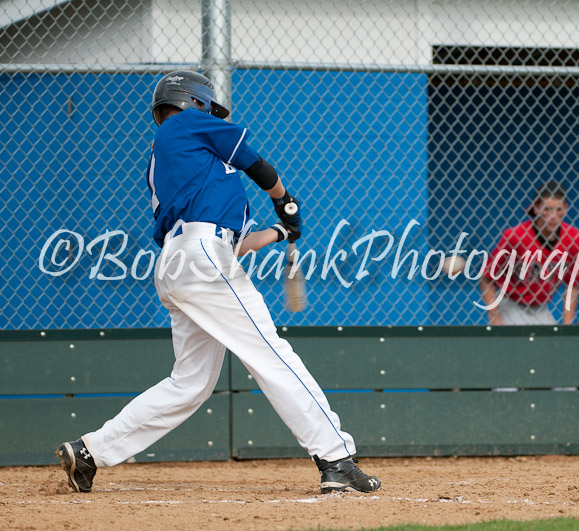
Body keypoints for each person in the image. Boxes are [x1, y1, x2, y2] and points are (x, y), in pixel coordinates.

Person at [55, 70, 380, 495]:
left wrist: (282, 232)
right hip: (202, 257)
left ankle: (90, 452)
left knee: (190, 383)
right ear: (194, 101)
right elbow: (257, 163)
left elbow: (237, 244)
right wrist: (283, 199)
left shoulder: (174, 159)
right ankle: (335, 455)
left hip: (182, 261)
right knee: (270, 352)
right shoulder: (185, 123)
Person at [480, 180, 579, 325]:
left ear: (566, 209)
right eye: (547, 209)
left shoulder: (573, 238)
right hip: (510, 302)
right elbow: (486, 278)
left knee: (555, 345)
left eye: (559, 209)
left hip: (541, 308)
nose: (553, 216)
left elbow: (572, 284)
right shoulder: (516, 236)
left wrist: (567, 324)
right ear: (536, 208)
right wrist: (495, 318)